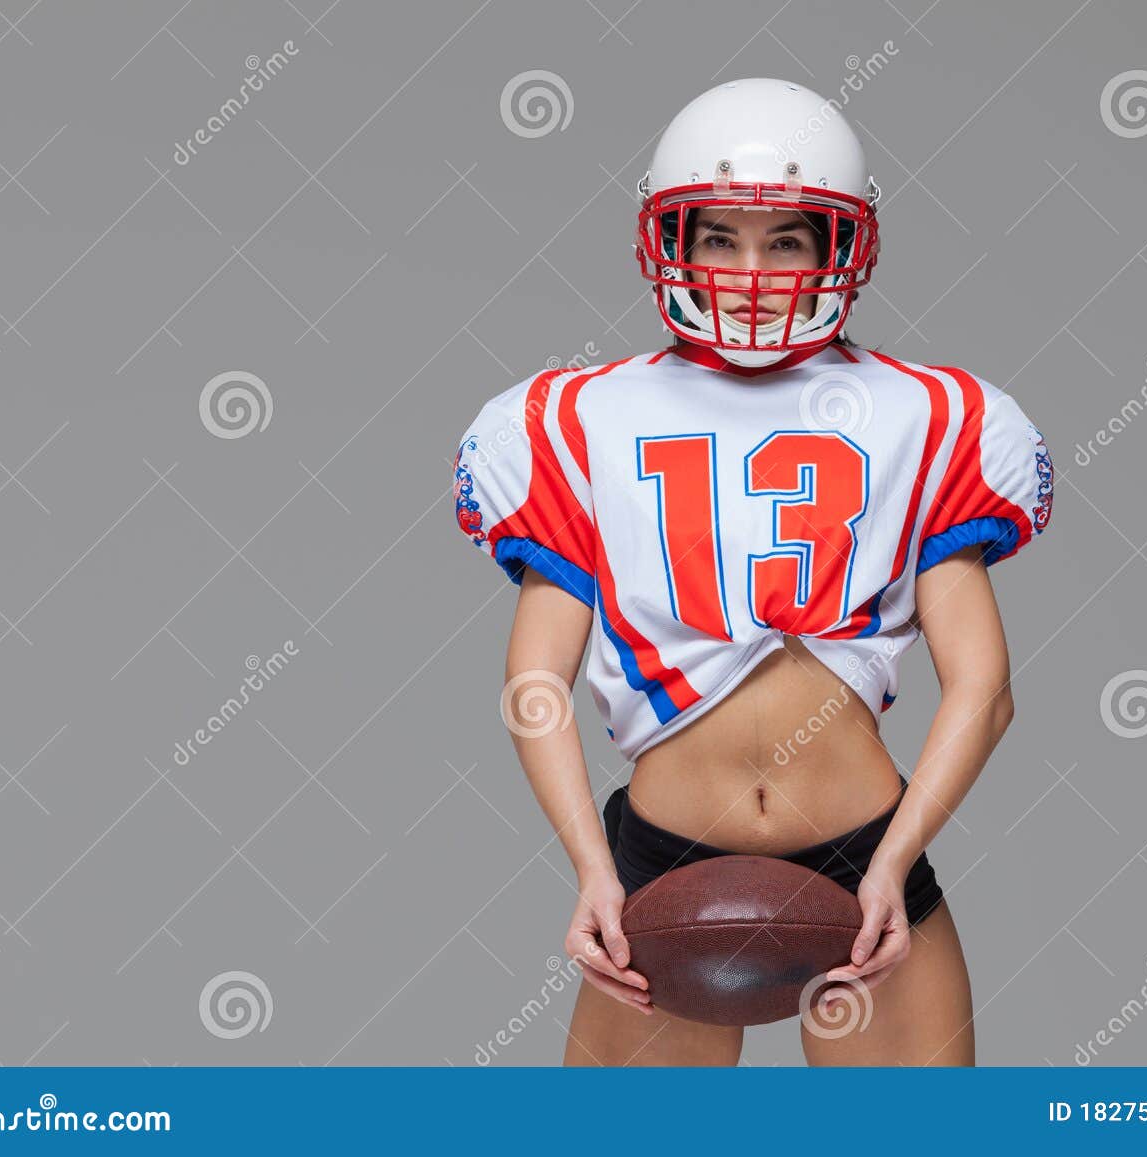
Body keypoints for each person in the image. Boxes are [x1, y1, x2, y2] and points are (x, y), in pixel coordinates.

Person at [450, 78, 1055, 1065]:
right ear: (673, 241)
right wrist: (594, 870)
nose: (751, 270)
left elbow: (983, 690)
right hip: (662, 859)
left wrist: (894, 862)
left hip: (861, 850)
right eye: (719, 237)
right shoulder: (570, 417)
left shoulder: (932, 414)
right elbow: (532, 684)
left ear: (836, 250)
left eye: (785, 241)